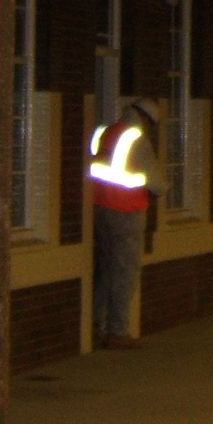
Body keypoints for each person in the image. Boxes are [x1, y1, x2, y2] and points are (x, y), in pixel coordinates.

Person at [90, 100, 163, 349]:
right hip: (127, 211)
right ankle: (117, 331)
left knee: (106, 268)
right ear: (145, 119)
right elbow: (155, 182)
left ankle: (96, 322)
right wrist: (165, 188)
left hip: (101, 208)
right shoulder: (136, 139)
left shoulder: (106, 131)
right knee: (125, 272)